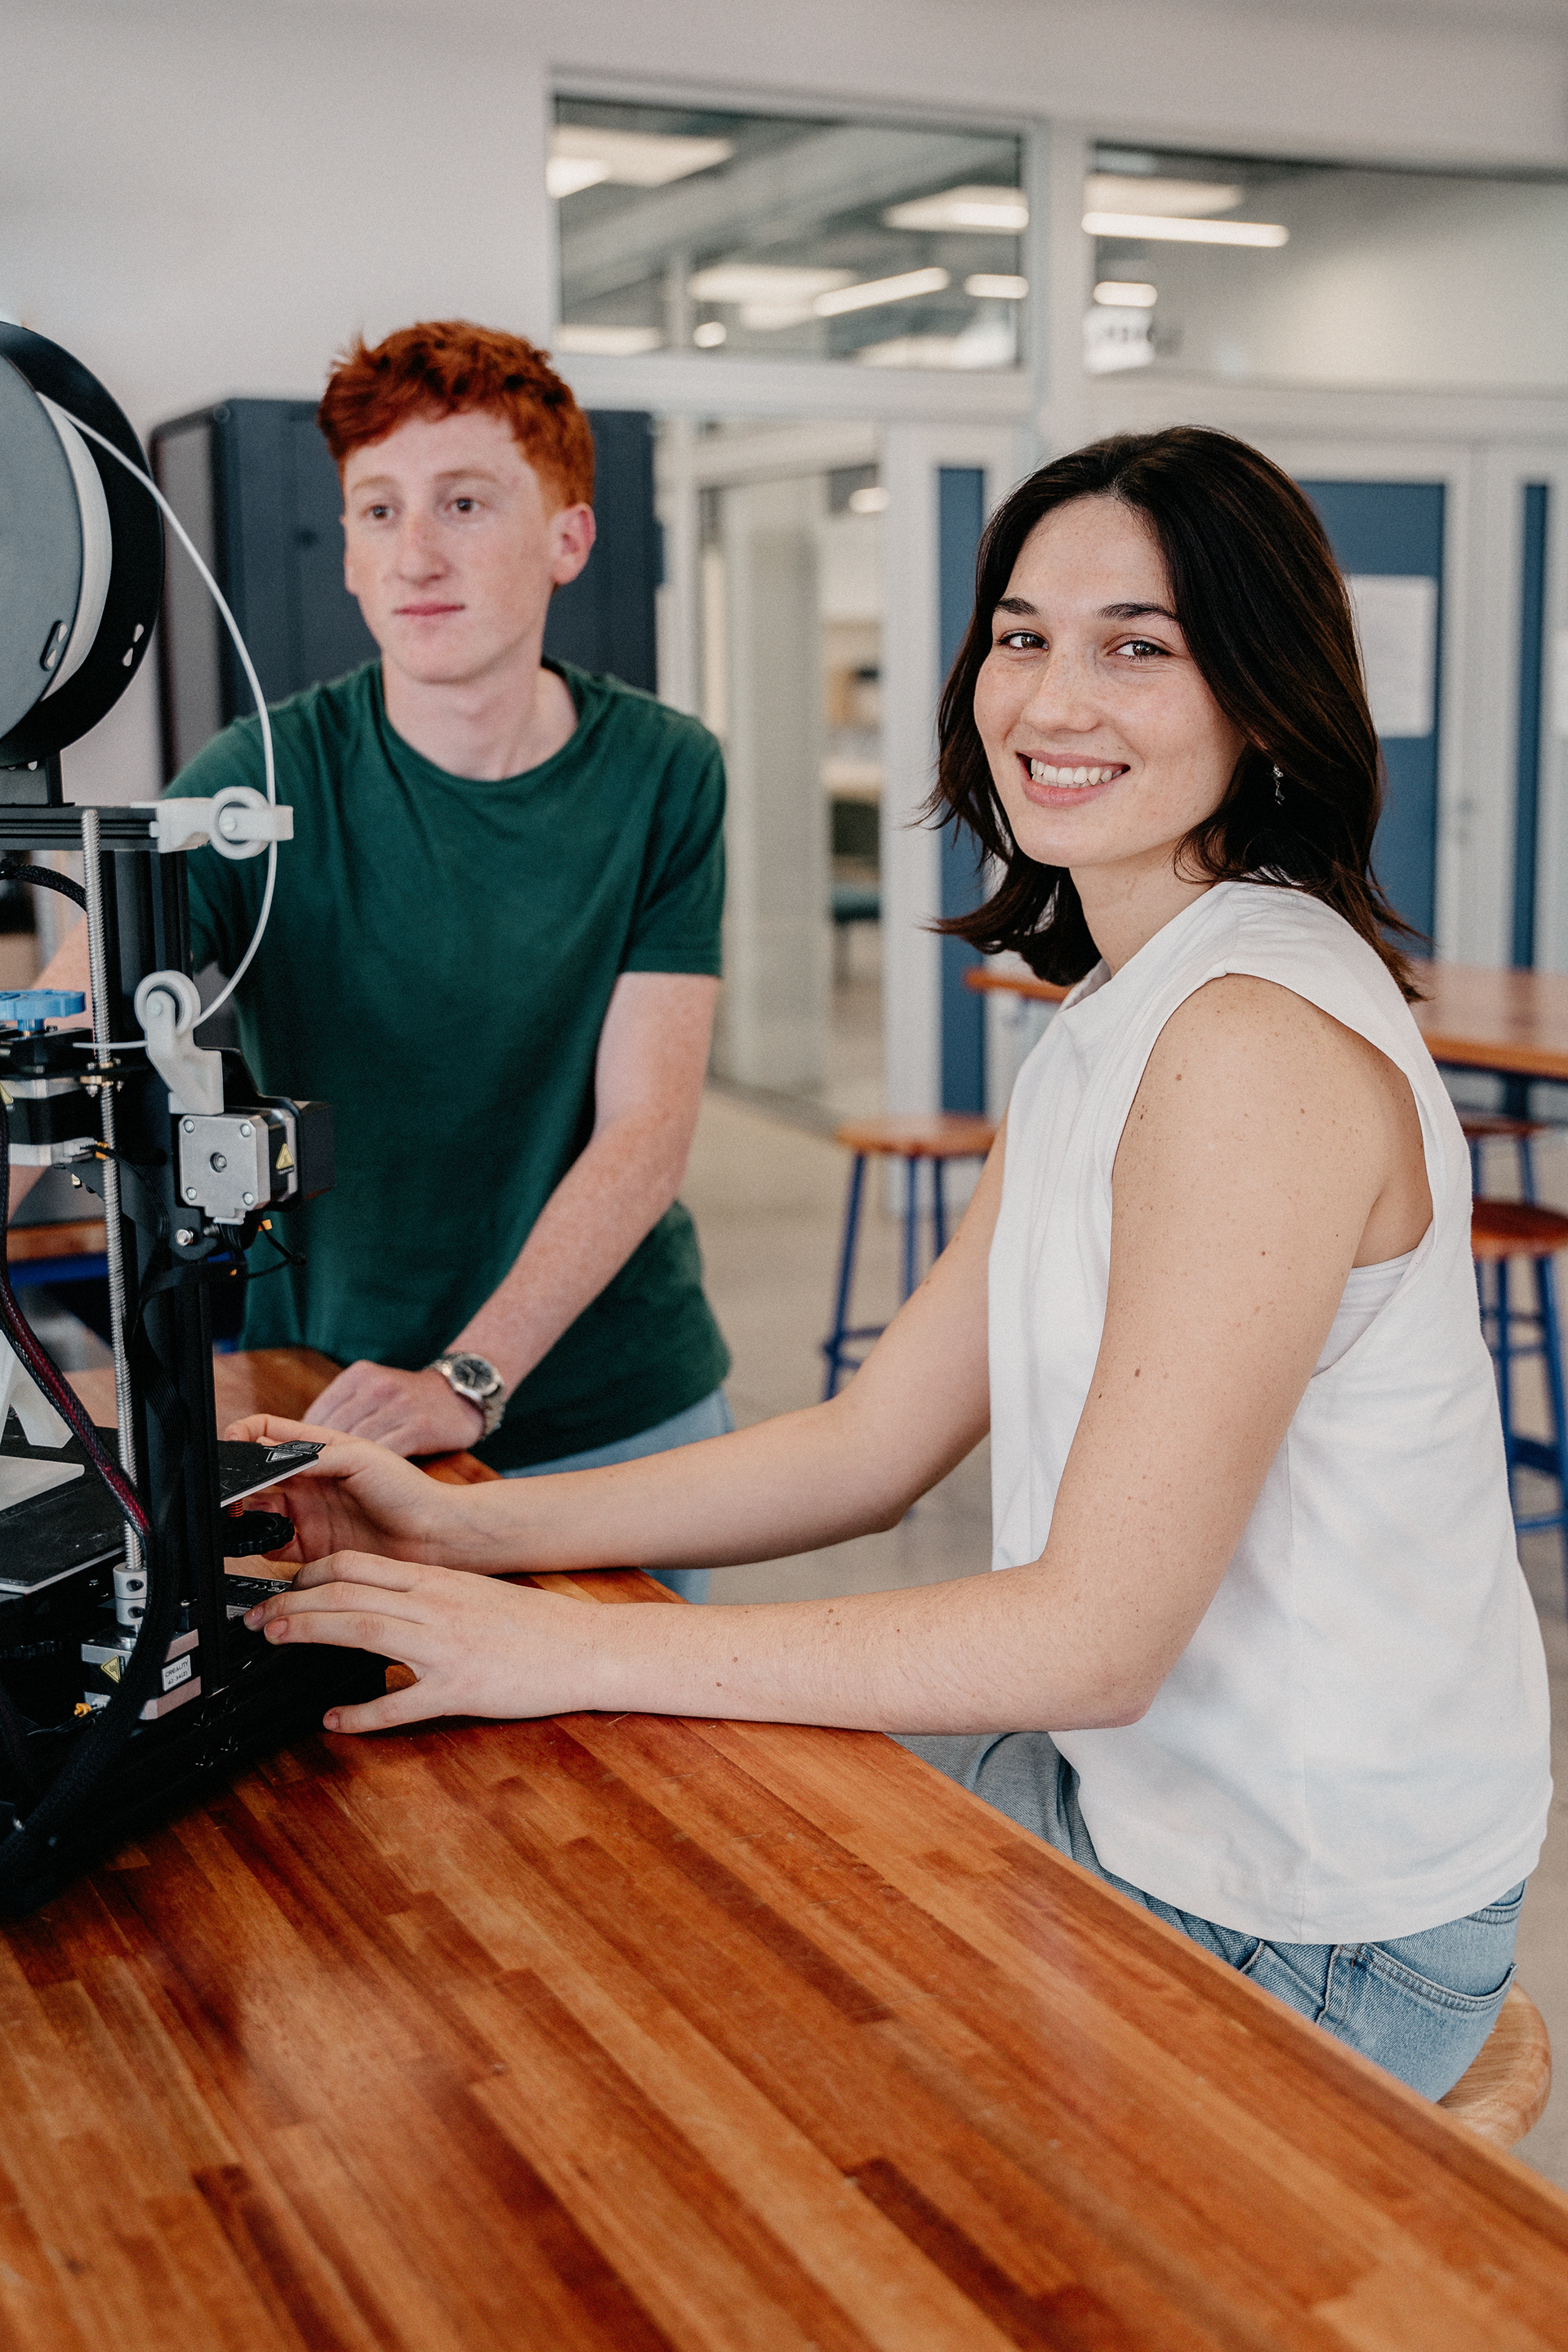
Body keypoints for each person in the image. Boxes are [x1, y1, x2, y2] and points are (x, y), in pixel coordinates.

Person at [230, 427, 1550, 2103]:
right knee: (622, 1869)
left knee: (675, 2051)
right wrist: (476, 1524)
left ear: (1267, 698)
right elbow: (875, 1445)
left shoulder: (1252, 1045)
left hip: (1306, 1920)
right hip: (1135, 1790)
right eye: (1022, 635)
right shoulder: (1114, 1009)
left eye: (1136, 646)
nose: (1052, 702)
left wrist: (562, 1643)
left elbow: (1091, 1639)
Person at [26, 323, 732, 1592]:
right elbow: (53, 1046)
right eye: (378, 509)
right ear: (346, 549)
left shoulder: (662, 770)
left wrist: (471, 1377)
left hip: (616, 1414)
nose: (417, 553)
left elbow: (646, 1129)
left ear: (568, 536)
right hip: (342, 1411)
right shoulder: (259, 784)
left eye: (466, 502)